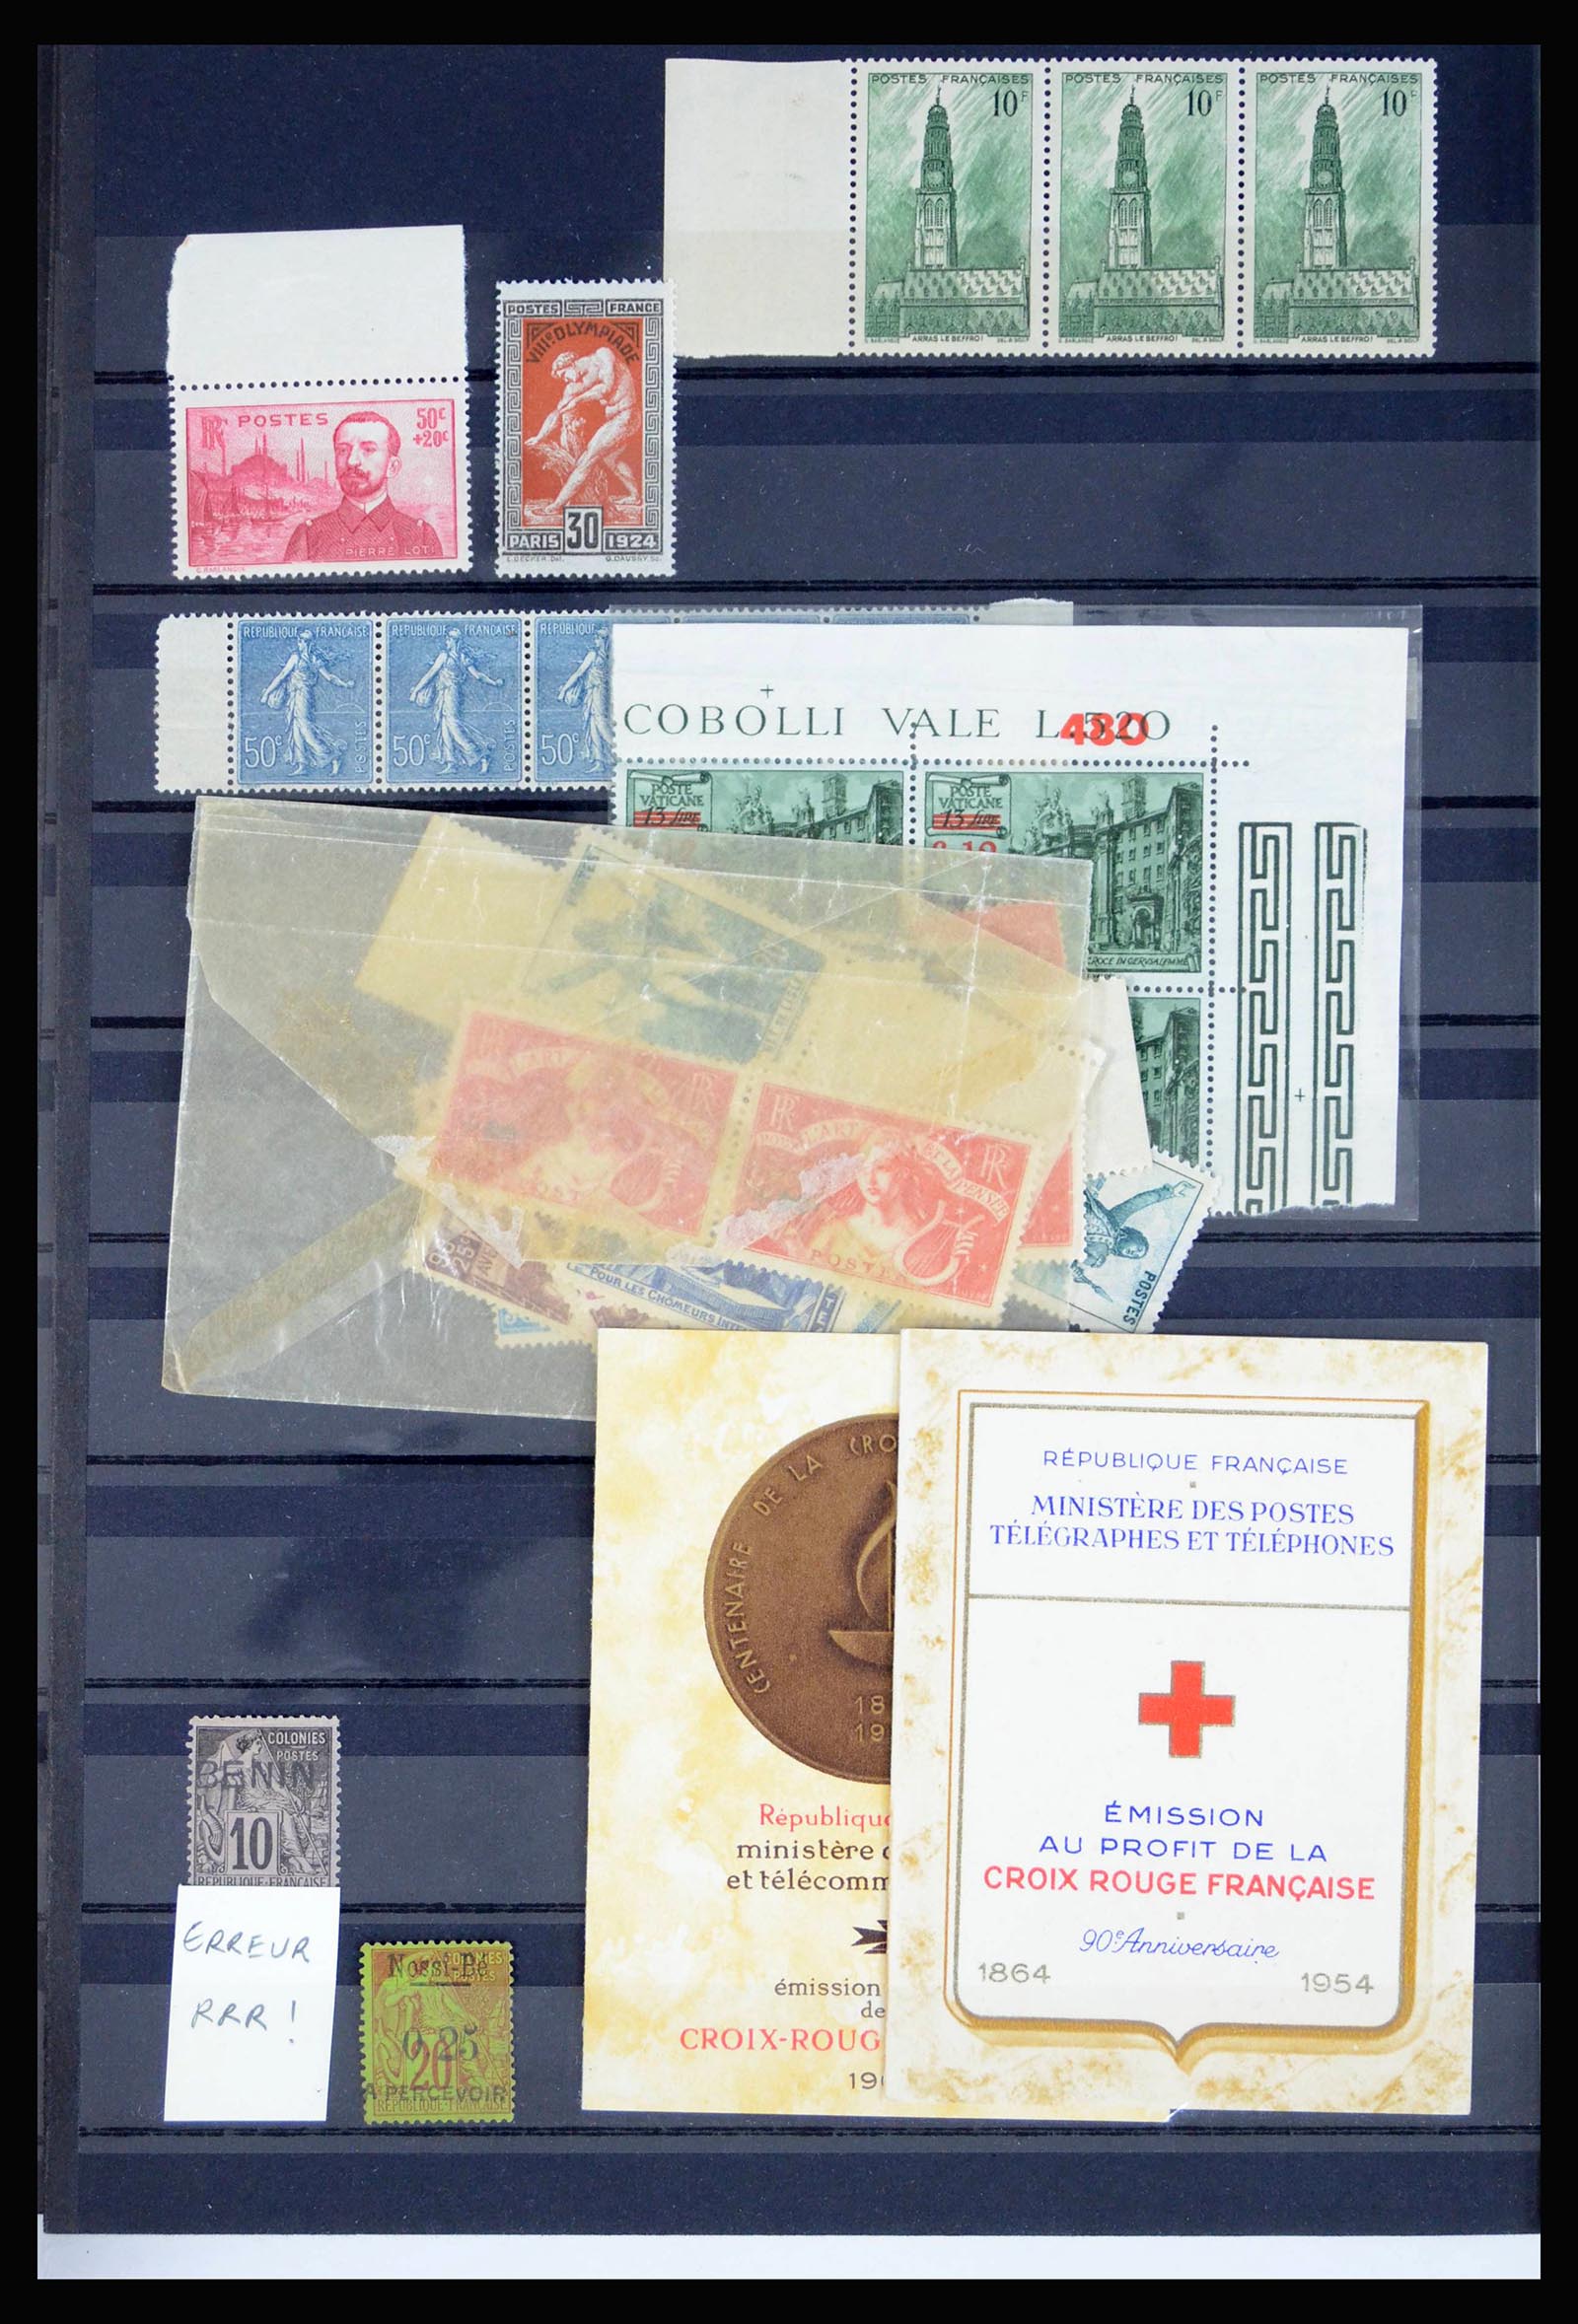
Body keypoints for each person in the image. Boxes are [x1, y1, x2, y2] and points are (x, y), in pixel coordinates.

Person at [283, 412, 442, 561]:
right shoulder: (308, 535)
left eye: (368, 450)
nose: (351, 461)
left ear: (392, 467)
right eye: (342, 450)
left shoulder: (421, 535)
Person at [525, 344, 639, 513]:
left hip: (627, 416)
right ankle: (636, 496)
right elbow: (558, 412)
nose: (566, 381)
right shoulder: (576, 386)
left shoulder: (602, 355)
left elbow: (606, 388)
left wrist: (578, 400)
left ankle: (556, 506)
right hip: (617, 419)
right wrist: (540, 437)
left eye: (564, 375)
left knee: (586, 460)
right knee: (611, 460)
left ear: (571, 364)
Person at [408, 627, 503, 775]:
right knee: (445, 727)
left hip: (450, 693)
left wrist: (415, 691)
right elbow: (478, 675)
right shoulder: (463, 657)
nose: (446, 641)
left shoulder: (445, 656)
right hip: (446, 693)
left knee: (453, 726)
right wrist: (494, 683)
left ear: (454, 641)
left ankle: (482, 755)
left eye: (448, 639)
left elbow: (430, 674)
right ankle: (451, 763)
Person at [259, 631, 354, 778]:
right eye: (300, 640)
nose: (301, 643)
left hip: (303, 696)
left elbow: (328, 677)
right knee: (296, 729)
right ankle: (302, 765)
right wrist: (267, 693)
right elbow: (283, 675)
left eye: (303, 641)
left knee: (305, 729)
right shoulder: (303, 658)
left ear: (307, 642)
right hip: (295, 696)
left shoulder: (307, 658)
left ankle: (333, 755)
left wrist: (345, 684)